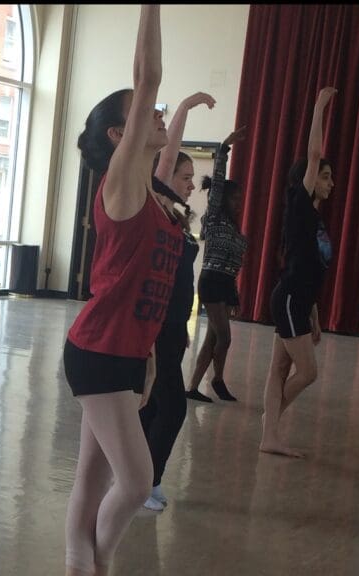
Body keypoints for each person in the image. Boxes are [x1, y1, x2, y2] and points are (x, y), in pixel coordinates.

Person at [63, 6, 181, 575]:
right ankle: (97, 563)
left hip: (125, 355)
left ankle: (79, 565)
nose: (155, 111)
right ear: (121, 132)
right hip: (98, 353)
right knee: (136, 481)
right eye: (146, 111)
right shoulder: (120, 181)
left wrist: (151, 355)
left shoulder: (150, 194)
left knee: (92, 478)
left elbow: (148, 290)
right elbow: (149, 74)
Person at [139, 91, 214, 512]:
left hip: (170, 328)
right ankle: (145, 482)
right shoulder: (157, 203)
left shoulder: (177, 216)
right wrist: (183, 109)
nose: (189, 183)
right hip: (154, 326)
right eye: (186, 176)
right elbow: (163, 164)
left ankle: (139, 478)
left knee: (151, 406)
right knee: (171, 406)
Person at [260, 86, 338, 458]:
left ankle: (269, 436)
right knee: (307, 373)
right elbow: (313, 154)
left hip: (298, 300)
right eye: (324, 176)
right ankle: (269, 423)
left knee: (278, 370)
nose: (329, 182)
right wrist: (320, 105)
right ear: (308, 179)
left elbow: (311, 269)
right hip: (289, 298)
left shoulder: (315, 220)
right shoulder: (300, 203)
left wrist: (314, 315)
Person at [186, 126, 249, 403]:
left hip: (224, 284)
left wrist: (234, 296)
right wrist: (223, 148)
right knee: (224, 337)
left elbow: (235, 268)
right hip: (211, 281)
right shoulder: (214, 218)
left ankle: (192, 387)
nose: (239, 202)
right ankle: (218, 379)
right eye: (235, 198)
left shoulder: (236, 231)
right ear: (223, 199)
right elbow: (219, 182)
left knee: (213, 338)